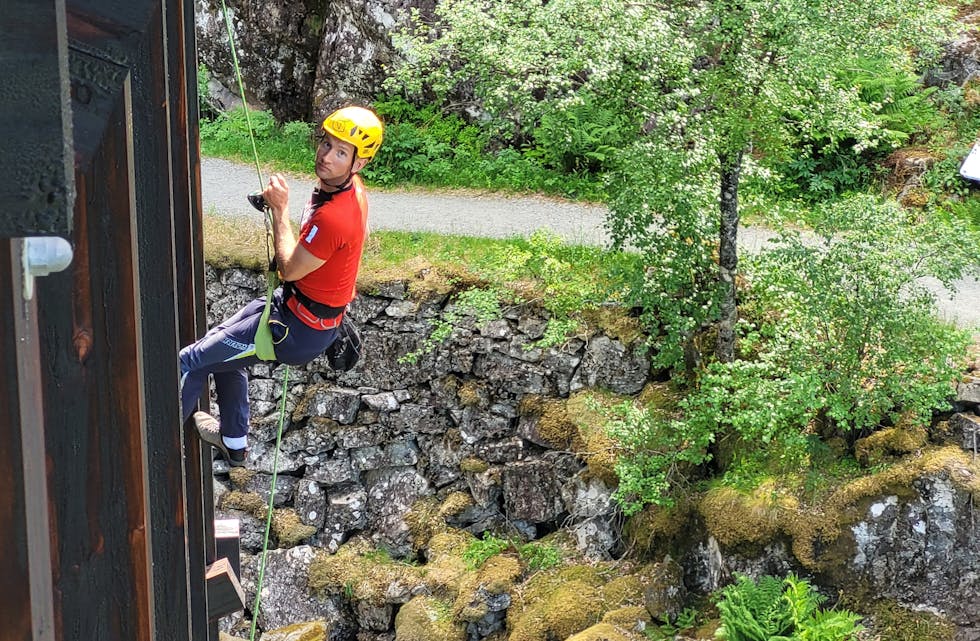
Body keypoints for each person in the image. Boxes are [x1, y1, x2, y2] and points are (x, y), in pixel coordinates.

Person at [180, 106, 383, 466]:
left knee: (191, 362)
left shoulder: (336, 217)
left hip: (295, 328)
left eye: (341, 152)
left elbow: (289, 268)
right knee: (225, 356)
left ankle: (150, 435)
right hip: (296, 312)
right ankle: (234, 442)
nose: (326, 156)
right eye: (326, 143)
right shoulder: (341, 189)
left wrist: (278, 211)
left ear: (358, 164)